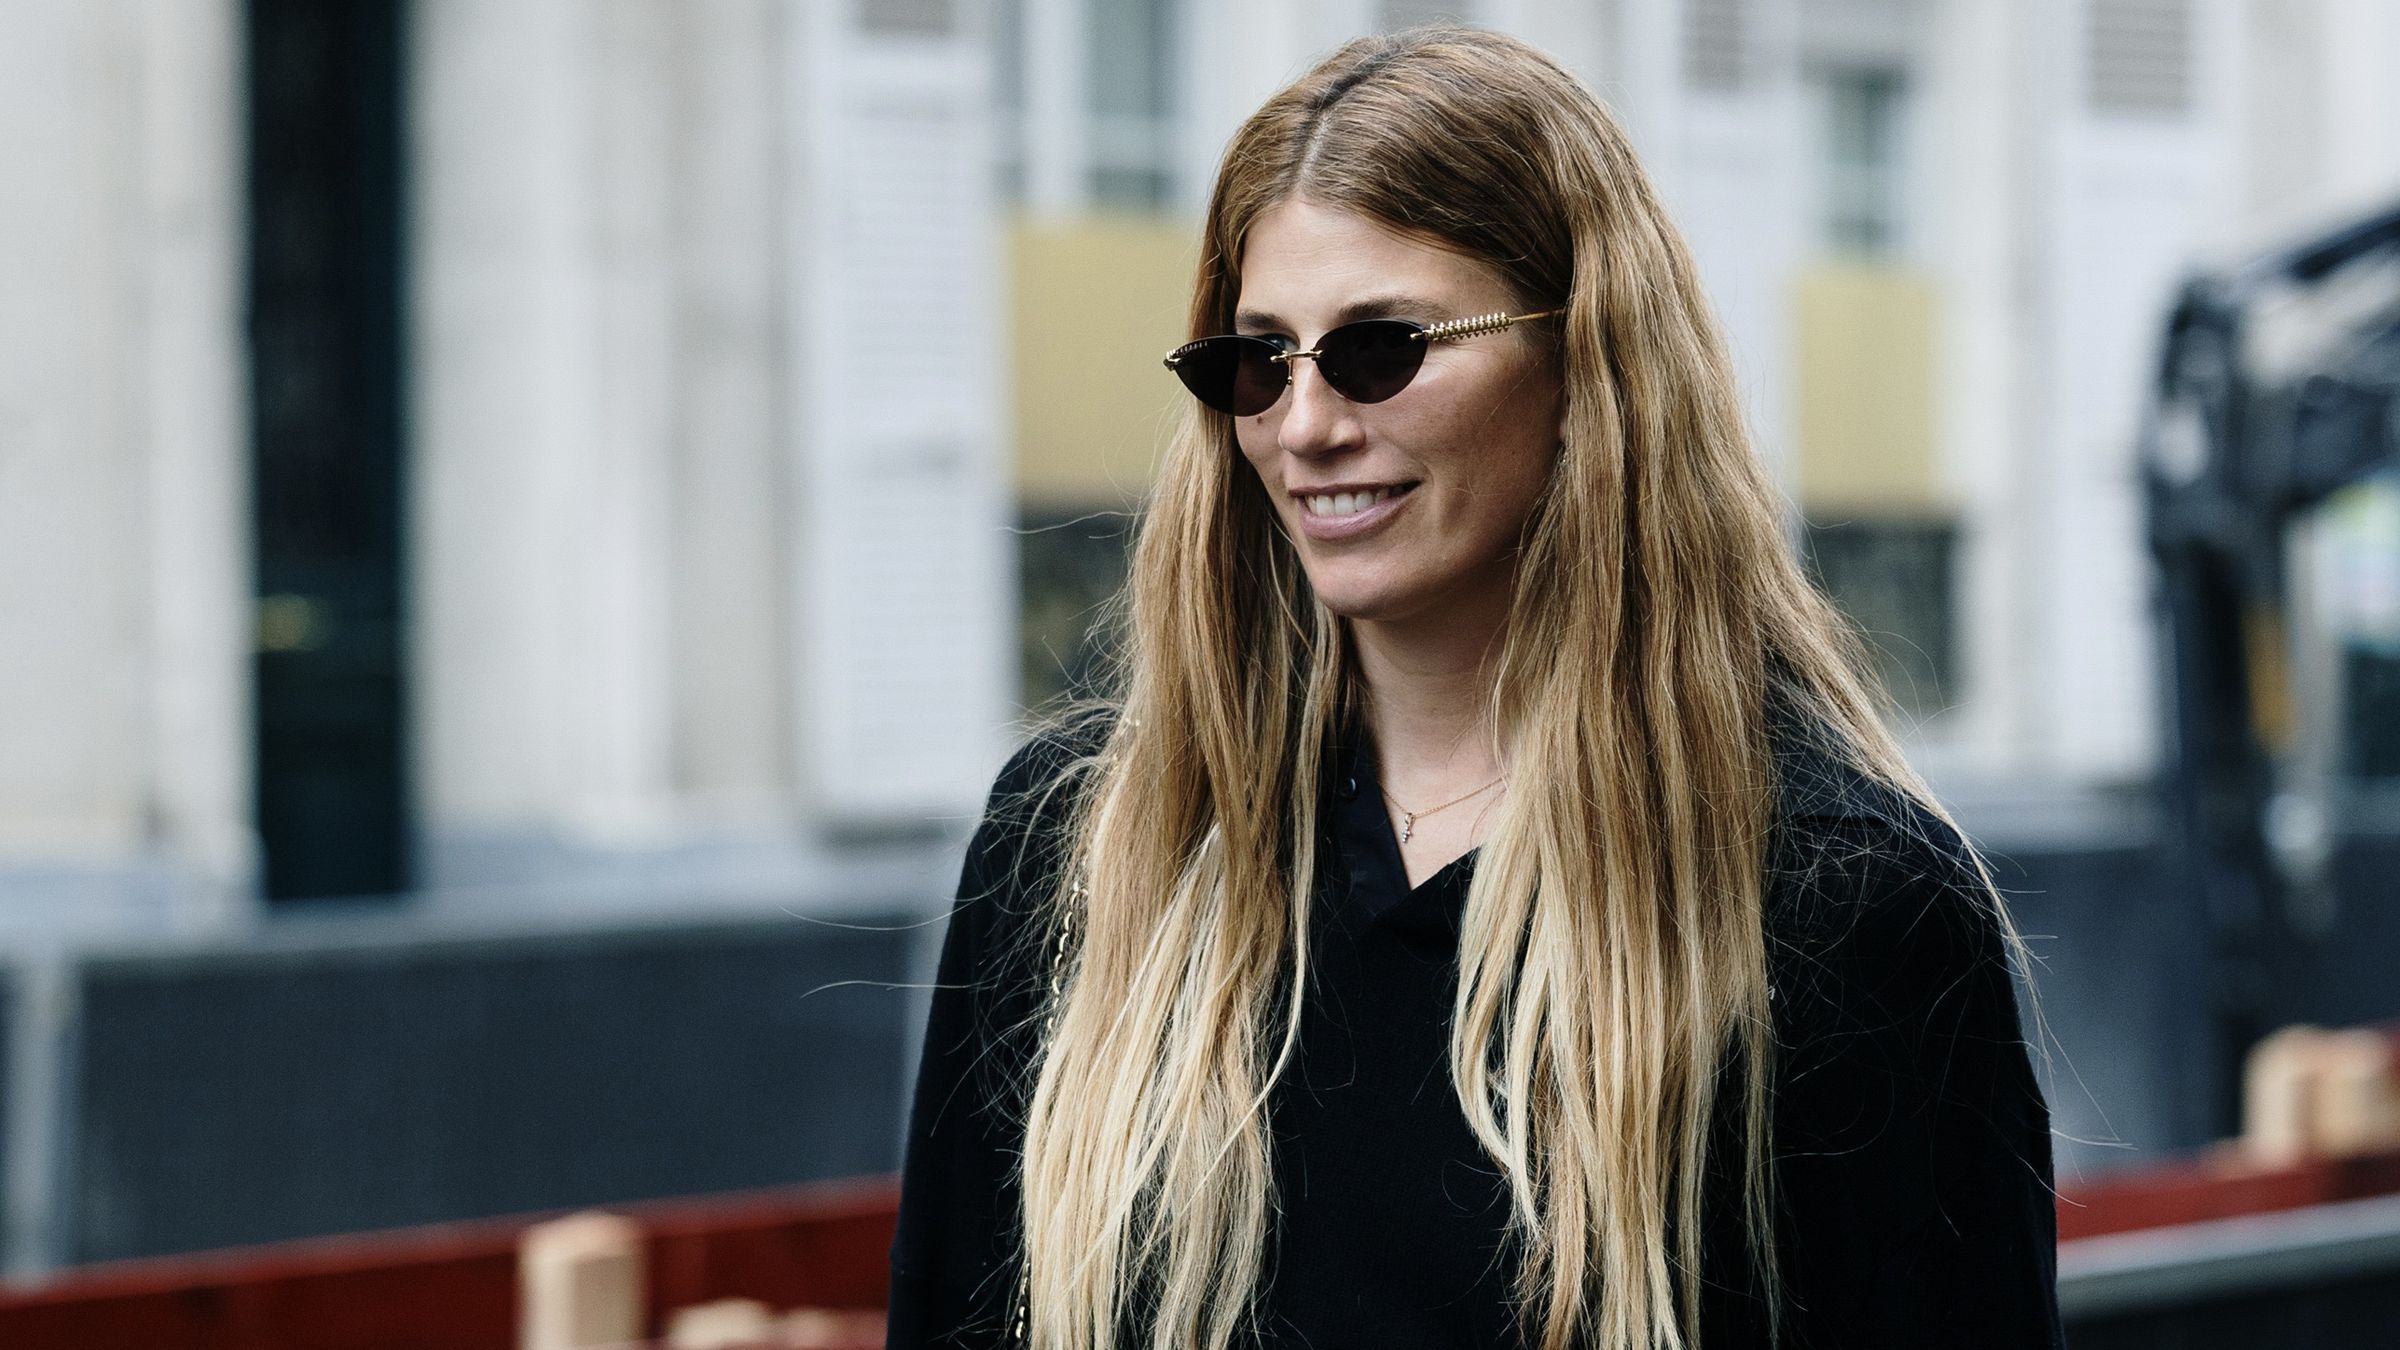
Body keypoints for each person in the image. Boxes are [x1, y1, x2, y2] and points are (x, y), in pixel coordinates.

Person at [888, 24, 2062, 1350]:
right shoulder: (1082, 850)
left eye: (1381, 347)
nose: (1306, 425)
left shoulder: (1837, 900)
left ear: (1583, 362)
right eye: (1258, 361)